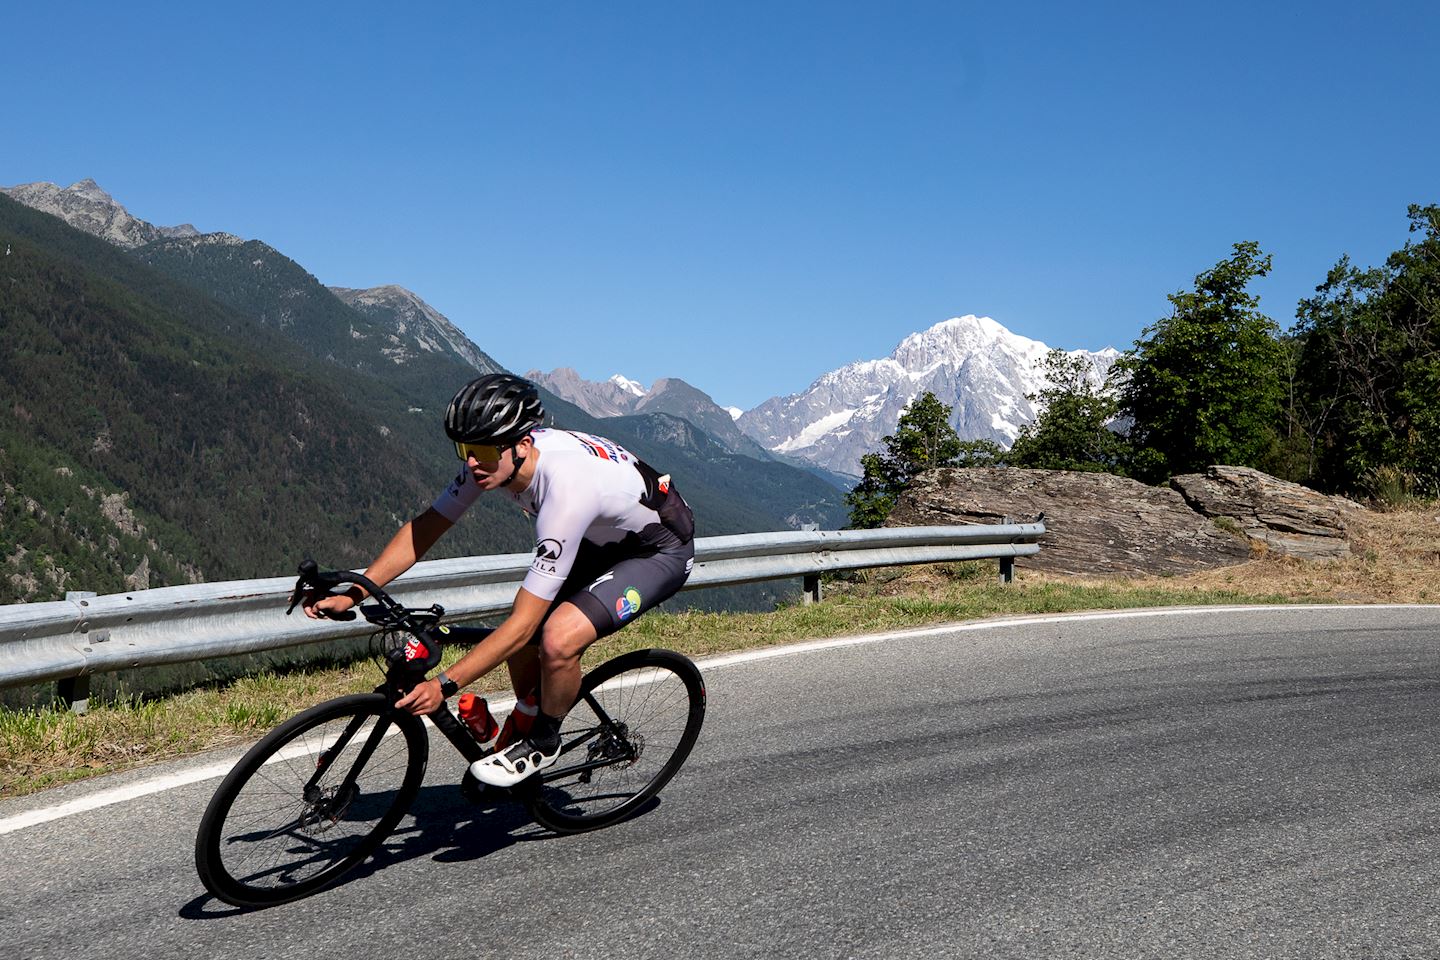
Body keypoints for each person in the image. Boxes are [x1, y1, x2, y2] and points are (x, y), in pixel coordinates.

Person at [303, 373, 695, 786]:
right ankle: (525, 718)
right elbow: (427, 528)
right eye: (464, 449)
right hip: (601, 536)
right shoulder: (497, 456)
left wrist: (445, 684)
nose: (472, 463)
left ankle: (543, 740)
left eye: (483, 452)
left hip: (658, 551)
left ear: (524, 445)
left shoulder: (565, 491)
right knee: (523, 630)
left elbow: (522, 626)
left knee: (555, 638)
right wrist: (354, 593)